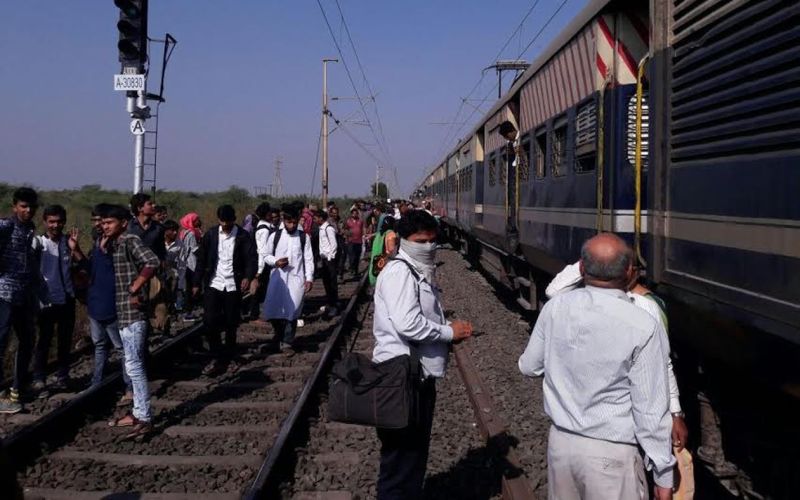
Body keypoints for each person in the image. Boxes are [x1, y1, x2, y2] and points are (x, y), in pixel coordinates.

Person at [519, 233, 674, 500]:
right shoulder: (643, 325)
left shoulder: (555, 308)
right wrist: (663, 474)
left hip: (561, 446)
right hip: (613, 456)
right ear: (628, 270)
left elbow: (529, 367)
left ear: (582, 267)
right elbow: (650, 410)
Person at [372, 209, 472, 499]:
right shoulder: (400, 273)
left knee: (412, 457)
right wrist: (448, 332)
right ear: (404, 240)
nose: (428, 246)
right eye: (420, 240)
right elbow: (409, 324)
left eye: (432, 240)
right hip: (402, 379)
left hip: (416, 376)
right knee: (400, 461)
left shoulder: (416, 269)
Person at [545, 259, 690, 451]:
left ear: (633, 271)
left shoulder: (648, 305)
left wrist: (675, 412)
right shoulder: (608, 299)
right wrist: (587, 262)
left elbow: (663, 362)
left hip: (634, 404)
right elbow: (553, 293)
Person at [103, 204, 159, 439]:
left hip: (133, 314)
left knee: (134, 366)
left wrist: (136, 286)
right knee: (130, 364)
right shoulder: (116, 244)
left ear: (123, 223)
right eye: (103, 223)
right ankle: (137, 412)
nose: (105, 227)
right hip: (124, 312)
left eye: (110, 223)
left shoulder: (129, 240)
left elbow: (152, 261)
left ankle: (144, 417)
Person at [193, 205, 257, 375]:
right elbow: (202, 259)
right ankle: (216, 353)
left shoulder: (243, 236)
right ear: (219, 220)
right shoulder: (211, 235)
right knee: (209, 320)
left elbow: (251, 259)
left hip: (233, 285)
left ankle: (228, 355)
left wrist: (248, 277)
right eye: (223, 223)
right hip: (214, 283)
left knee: (231, 322)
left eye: (229, 223)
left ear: (234, 220)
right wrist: (196, 282)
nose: (226, 226)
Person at [32, 205, 85, 394]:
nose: (55, 225)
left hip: (66, 298)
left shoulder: (68, 242)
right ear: (45, 222)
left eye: (59, 221)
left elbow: (83, 266)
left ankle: (63, 375)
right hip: (45, 300)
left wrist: (76, 248)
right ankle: (39, 377)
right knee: (44, 340)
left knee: (65, 340)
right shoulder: (38, 243)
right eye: (52, 221)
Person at [0, 187, 42, 413]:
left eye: (31, 207)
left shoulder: (30, 229)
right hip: (4, 293)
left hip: (24, 294)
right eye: (23, 206)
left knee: (27, 340)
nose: (28, 211)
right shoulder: (5, 226)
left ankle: (17, 388)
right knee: (1, 341)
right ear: (14, 207)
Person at [85, 204, 130, 397]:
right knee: (101, 345)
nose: (99, 225)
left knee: (121, 347)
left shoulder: (120, 244)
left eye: (103, 221)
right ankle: (97, 381)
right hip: (96, 301)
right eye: (97, 221)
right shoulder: (98, 242)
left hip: (113, 302)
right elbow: (92, 270)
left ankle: (130, 385)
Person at [263, 206, 314, 352]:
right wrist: (276, 262)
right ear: (284, 220)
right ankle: (278, 336)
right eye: (288, 222)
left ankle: (287, 341)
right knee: (273, 310)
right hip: (277, 280)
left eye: (294, 222)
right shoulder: (275, 236)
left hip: (296, 280)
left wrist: (309, 278)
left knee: (293, 310)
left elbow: (308, 259)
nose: (291, 225)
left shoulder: (304, 237)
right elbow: (266, 255)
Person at [251, 202, 276, 323]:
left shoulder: (268, 227)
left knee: (264, 288)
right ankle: (256, 314)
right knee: (261, 289)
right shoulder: (264, 230)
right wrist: (260, 270)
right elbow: (262, 250)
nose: (272, 214)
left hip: (266, 263)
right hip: (263, 264)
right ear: (266, 215)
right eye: (270, 213)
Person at [314, 209, 339, 318]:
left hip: (329, 260)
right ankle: (330, 303)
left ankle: (334, 305)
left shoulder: (328, 229)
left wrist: (329, 258)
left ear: (321, 218)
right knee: (326, 282)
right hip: (324, 260)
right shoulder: (321, 229)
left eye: (316, 218)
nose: (315, 220)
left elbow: (334, 244)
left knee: (331, 283)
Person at [178, 212, 202, 321]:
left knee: (187, 287)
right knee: (193, 287)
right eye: (196, 220)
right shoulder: (192, 234)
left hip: (184, 263)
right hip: (192, 263)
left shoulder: (183, 232)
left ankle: (187, 310)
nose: (199, 221)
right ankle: (189, 312)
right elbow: (194, 249)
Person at [163, 219, 184, 318]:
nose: (175, 233)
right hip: (160, 273)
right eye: (172, 230)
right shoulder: (159, 242)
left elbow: (182, 264)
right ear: (166, 231)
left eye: (176, 230)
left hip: (173, 275)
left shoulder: (179, 245)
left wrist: (181, 281)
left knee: (171, 296)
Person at [345, 208, 364, 278]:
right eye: (353, 213)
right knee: (351, 257)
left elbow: (363, 228)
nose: (355, 214)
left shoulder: (360, 221)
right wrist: (347, 237)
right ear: (351, 214)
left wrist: (364, 236)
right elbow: (345, 229)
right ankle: (351, 269)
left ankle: (356, 271)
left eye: (356, 213)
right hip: (351, 241)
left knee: (357, 257)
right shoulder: (348, 221)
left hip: (359, 241)